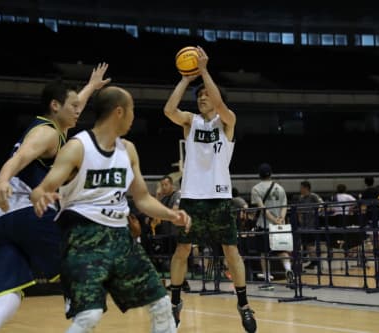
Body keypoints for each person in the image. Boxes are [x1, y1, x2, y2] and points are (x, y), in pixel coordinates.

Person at [30, 86, 191, 333]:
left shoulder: (128, 150)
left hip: (121, 238)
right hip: (83, 238)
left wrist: (171, 214)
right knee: (89, 316)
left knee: (161, 306)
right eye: (132, 111)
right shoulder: (77, 147)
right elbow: (42, 188)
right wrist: (40, 196)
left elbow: (143, 198)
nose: (133, 116)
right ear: (119, 112)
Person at [0, 64, 110, 333]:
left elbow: (75, 101)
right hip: (27, 213)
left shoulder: (55, 127)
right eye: (73, 106)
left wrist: (91, 86)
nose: (78, 110)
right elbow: (19, 158)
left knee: (7, 298)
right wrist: (2, 181)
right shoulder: (47, 133)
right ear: (55, 106)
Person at [163, 46, 256, 332]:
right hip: (192, 197)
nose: (204, 99)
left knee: (231, 252)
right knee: (182, 250)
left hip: (219, 197)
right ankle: (175, 302)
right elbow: (168, 110)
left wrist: (203, 71)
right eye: (200, 97)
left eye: (207, 96)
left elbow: (219, 102)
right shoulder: (190, 122)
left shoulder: (227, 121)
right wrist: (185, 79)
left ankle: (243, 305)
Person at [250, 163, 293, 285]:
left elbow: (262, 208)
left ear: (259, 175)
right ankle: (288, 269)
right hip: (280, 225)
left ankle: (268, 279)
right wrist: (281, 219)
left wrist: (273, 221)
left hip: (264, 226)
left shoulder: (256, 189)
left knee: (264, 253)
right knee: (282, 250)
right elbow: (284, 205)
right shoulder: (280, 188)